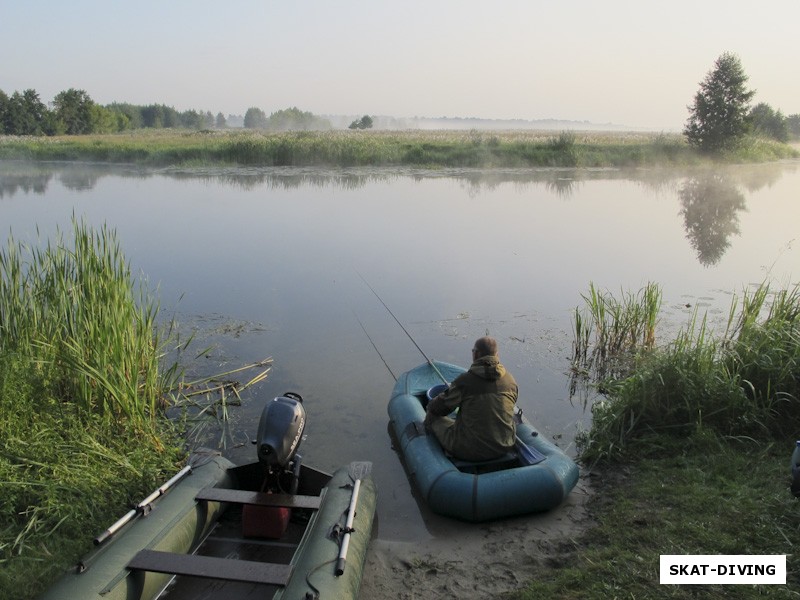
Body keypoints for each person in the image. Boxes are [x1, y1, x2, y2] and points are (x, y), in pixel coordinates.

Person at [424, 336, 518, 461]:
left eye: (473, 351)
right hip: (505, 446)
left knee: (432, 416)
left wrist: (434, 402)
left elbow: (439, 409)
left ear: (476, 354)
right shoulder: (510, 380)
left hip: (470, 450)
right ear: (497, 355)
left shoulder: (465, 381)